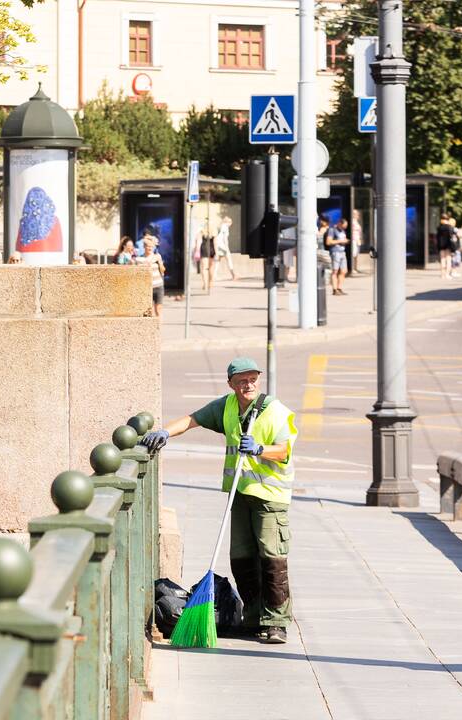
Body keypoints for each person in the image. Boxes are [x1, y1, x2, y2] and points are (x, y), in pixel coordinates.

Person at [140, 357, 298, 644]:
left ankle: (276, 622)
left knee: (271, 558)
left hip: (269, 498)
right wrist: (165, 432)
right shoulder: (225, 407)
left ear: (258, 380)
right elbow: (192, 419)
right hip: (240, 494)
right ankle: (252, 617)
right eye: (241, 380)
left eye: (252, 379)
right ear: (231, 384)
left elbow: (285, 451)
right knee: (242, 558)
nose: (248, 384)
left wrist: (261, 448)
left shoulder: (275, 411)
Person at [135, 235, 166, 317]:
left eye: (151, 246)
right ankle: (151, 328)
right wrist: (151, 260)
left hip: (158, 286)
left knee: (158, 310)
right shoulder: (139, 259)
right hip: (147, 287)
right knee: (149, 311)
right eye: (148, 246)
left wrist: (160, 263)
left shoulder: (157, 256)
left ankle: (159, 328)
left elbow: (163, 270)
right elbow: (140, 269)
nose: (150, 248)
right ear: (144, 247)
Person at [325, 217, 349, 295]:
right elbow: (328, 242)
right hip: (335, 252)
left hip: (342, 252)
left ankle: (339, 288)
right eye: (343, 226)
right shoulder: (332, 230)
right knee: (335, 271)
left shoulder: (342, 231)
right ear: (339, 223)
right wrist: (341, 241)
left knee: (344, 271)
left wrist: (345, 241)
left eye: (345, 227)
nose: (344, 228)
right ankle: (334, 289)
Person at [437, 214, 456, 279]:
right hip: (448, 245)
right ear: (447, 219)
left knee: (442, 259)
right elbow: (452, 236)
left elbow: (437, 237)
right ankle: (447, 274)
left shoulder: (439, 227)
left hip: (441, 245)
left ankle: (442, 274)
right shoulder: (449, 227)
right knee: (448, 260)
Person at [199, 226, 217, 293]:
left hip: (204, 249)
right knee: (211, 267)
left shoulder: (202, 232)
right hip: (211, 249)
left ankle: (205, 283)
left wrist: (197, 250)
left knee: (204, 268)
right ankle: (210, 282)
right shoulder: (214, 232)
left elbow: (199, 241)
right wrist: (217, 252)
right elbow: (215, 243)